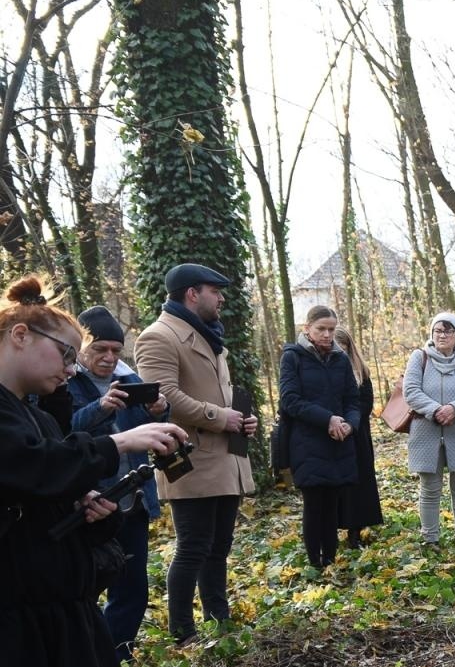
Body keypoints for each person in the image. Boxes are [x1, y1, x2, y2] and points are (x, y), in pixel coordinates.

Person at [1, 275, 185, 667]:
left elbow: (41, 487)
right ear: (21, 336)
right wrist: (120, 442)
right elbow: (27, 468)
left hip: (31, 595)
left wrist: (85, 514)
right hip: (11, 600)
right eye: (64, 351)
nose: (70, 366)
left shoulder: (29, 411)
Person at [137, 263, 258, 646]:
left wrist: (242, 420)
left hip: (224, 456)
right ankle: (182, 633)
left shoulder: (207, 334)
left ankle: (217, 620)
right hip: (190, 458)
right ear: (192, 293)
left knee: (219, 546)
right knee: (193, 547)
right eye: (214, 291)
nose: (221, 298)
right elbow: (164, 395)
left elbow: (217, 392)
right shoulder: (158, 336)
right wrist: (221, 417)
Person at [66, 306, 171, 664]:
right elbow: (61, 432)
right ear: (82, 348)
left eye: (115, 349)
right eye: (100, 350)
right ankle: (84, 662)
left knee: (133, 588)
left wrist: (158, 411)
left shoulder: (130, 380)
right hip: (90, 504)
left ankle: (115, 659)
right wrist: (100, 406)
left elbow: (146, 428)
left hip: (134, 499)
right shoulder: (62, 380)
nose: (110, 358)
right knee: (87, 587)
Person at [278, 305, 362, 570]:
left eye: (331, 330)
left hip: (339, 441)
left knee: (333, 503)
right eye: (321, 329)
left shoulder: (341, 360)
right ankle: (316, 563)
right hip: (307, 442)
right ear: (307, 329)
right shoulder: (292, 357)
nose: (327, 335)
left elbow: (352, 399)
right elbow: (290, 400)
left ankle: (331, 558)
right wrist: (327, 419)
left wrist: (350, 424)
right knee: (314, 504)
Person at [403, 313, 455, 545]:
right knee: (430, 487)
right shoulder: (419, 358)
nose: (442, 335)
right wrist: (436, 410)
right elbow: (411, 391)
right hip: (426, 431)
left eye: (448, 331)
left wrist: (454, 409)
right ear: (431, 333)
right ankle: (430, 538)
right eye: (438, 330)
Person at [333, 326, 383, 547]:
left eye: (342, 346)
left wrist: (349, 423)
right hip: (331, 434)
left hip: (357, 434)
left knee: (359, 482)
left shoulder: (360, 370)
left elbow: (365, 402)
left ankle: (357, 529)